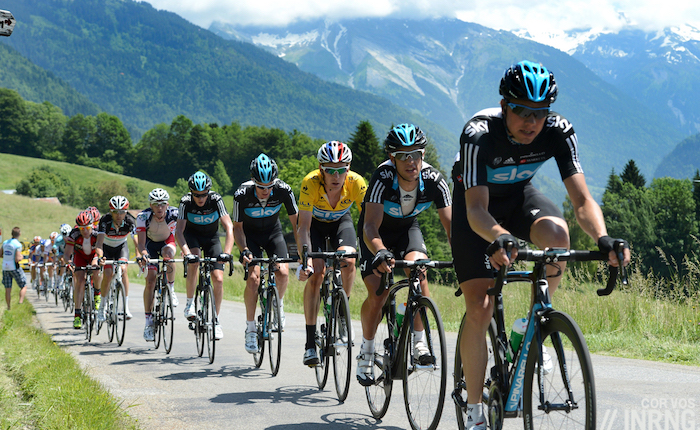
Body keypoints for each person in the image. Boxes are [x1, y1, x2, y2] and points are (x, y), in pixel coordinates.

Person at [451, 60, 631, 429]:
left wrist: (603, 238)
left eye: (540, 112)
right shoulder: (479, 133)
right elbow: (474, 209)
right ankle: (473, 410)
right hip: (476, 210)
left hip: (518, 198)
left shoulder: (558, 131)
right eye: (520, 110)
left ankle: (533, 323)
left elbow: (581, 201)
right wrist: (499, 237)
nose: (531, 121)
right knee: (480, 308)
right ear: (504, 107)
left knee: (558, 237)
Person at [355, 123, 452, 386]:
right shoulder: (383, 177)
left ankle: (419, 344)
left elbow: (452, 228)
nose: (411, 161)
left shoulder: (435, 180)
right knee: (378, 293)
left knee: (419, 272)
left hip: (409, 228)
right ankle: (366, 351)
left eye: (416, 154)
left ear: (423, 153)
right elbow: (370, 226)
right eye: (402, 155)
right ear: (392, 157)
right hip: (376, 234)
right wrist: (381, 251)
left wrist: (466, 260)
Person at [297, 141, 367, 366]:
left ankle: (343, 313)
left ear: (348, 169)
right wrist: (305, 258)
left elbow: (368, 221)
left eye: (341, 170)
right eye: (330, 170)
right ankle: (309, 343)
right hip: (315, 227)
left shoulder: (357, 183)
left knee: (348, 260)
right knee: (317, 273)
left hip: (341, 223)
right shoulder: (310, 183)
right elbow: (303, 227)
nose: (336, 176)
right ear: (321, 169)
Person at [234, 154, 299, 354]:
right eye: (261, 187)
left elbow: (296, 223)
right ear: (253, 181)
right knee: (253, 279)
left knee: (283, 272)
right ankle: (251, 328)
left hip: (273, 234)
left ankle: (278, 304)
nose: (266, 191)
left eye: (269, 186)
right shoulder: (242, 194)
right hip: (250, 237)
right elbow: (237, 227)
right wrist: (244, 249)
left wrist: (303, 251)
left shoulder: (283, 190)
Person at [175, 171, 234, 341]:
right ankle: (189, 304)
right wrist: (186, 253)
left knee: (219, 279)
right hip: (192, 237)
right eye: (196, 195)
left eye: (203, 194)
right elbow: (179, 231)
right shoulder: (186, 202)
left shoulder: (216, 199)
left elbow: (229, 227)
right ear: (191, 193)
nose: (200, 198)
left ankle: (215, 320)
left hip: (212, 238)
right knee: (194, 260)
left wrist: (227, 253)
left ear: (208, 192)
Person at [136, 188, 179, 342]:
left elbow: (180, 234)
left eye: (162, 204)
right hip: (150, 245)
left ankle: (171, 289)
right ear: (151, 205)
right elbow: (141, 243)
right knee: (151, 280)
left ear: (167, 205)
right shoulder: (143, 217)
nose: (159, 208)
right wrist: (144, 254)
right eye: (156, 205)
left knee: (169, 255)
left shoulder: (175, 214)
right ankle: (148, 322)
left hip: (167, 242)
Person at [95, 196, 137, 322]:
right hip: (106, 248)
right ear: (110, 211)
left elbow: (136, 242)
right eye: (115, 212)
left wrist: (139, 255)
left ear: (126, 211)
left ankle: (125, 307)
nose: (119, 215)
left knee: (123, 270)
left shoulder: (130, 220)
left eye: (122, 212)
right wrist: (101, 257)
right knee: (108, 274)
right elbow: (99, 244)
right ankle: (102, 307)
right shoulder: (105, 221)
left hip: (121, 247)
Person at [64, 210, 104, 329]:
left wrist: (98, 259)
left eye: (87, 228)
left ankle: (97, 293)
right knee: (80, 280)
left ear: (92, 225)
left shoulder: (97, 233)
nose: (85, 231)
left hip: (93, 255)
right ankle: (77, 315)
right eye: (82, 229)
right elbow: (67, 254)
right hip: (80, 256)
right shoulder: (74, 234)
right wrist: (69, 262)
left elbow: (100, 249)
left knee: (96, 270)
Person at [3, 227, 27, 310]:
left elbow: (0, 254)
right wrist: (21, 257)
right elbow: (17, 259)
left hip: (5, 267)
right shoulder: (17, 244)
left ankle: (8, 307)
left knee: (8, 288)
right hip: (14, 267)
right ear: (19, 234)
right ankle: (20, 303)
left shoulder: (5, 242)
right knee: (23, 285)